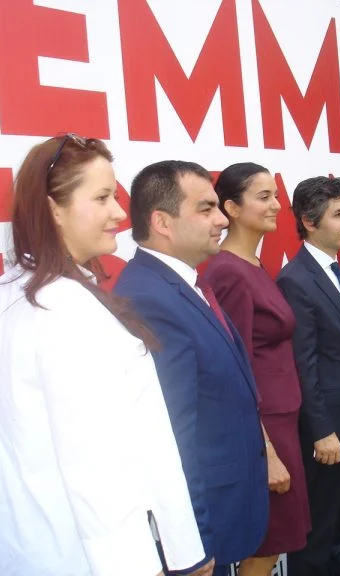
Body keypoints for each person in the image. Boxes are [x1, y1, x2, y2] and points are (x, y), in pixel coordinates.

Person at [0, 135, 205, 576]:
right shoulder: (65, 308)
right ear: (53, 210)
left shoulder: (7, 292)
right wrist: (142, 565)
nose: (119, 213)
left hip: (39, 547)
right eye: (101, 198)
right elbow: (96, 464)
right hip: (93, 555)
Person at [114, 161, 269, 576]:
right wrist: (192, 542)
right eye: (206, 208)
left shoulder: (183, 283)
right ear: (162, 222)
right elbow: (171, 434)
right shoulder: (147, 297)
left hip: (223, 509)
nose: (222, 220)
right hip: (197, 530)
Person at [201, 163, 311, 575]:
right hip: (263, 429)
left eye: (275, 196)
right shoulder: (228, 272)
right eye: (263, 197)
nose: (276, 205)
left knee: (273, 542)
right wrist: (265, 454)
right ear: (231, 207)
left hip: (282, 421)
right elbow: (235, 369)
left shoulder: (250, 264)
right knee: (265, 544)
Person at [276, 176, 340, 576]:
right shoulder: (295, 280)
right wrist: (322, 431)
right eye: (339, 214)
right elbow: (303, 365)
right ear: (309, 221)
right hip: (328, 437)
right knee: (319, 539)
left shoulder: (339, 272)